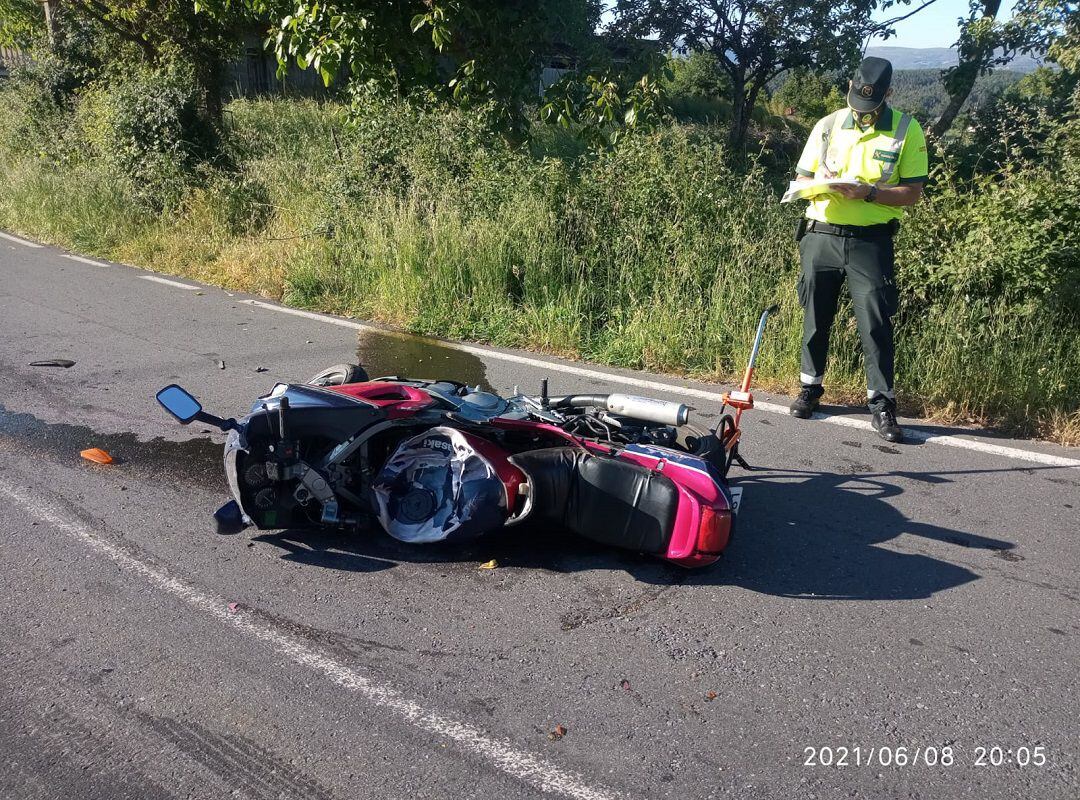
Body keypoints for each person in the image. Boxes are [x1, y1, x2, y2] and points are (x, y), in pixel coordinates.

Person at [789, 56, 928, 443]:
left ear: (888, 95)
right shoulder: (828, 124)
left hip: (871, 241)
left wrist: (868, 192)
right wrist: (819, 185)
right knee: (815, 316)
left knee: (876, 323)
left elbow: (912, 193)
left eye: (870, 103)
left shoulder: (906, 129)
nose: (860, 109)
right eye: (855, 100)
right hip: (821, 235)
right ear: (850, 88)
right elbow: (802, 176)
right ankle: (810, 389)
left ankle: (882, 403)